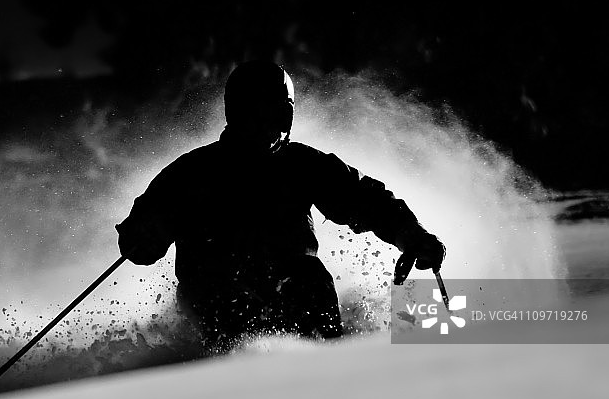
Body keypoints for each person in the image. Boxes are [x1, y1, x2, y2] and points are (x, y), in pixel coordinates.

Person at [117, 60, 445, 351]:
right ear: (236, 114)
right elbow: (143, 232)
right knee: (224, 300)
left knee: (309, 280)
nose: (267, 126)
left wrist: (411, 236)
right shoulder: (192, 173)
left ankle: (332, 366)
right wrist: (142, 237)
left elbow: (364, 199)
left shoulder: (302, 164)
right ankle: (228, 377)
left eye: (277, 113)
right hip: (215, 296)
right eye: (256, 114)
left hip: (290, 288)